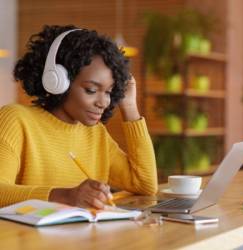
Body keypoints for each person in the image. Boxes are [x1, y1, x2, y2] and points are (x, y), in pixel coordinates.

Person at [0, 25, 158, 209]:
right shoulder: (16, 120)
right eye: (91, 90)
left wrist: (130, 106)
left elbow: (145, 185)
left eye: (109, 92)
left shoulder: (96, 134)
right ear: (58, 81)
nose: (104, 102)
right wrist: (63, 196)